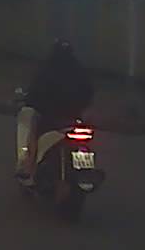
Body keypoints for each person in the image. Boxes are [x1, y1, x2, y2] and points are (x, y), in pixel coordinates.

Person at [16, 40, 95, 183]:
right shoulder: (79, 70)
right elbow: (89, 91)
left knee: (32, 130)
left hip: (51, 116)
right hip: (74, 116)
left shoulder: (47, 69)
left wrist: (30, 100)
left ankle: (28, 166)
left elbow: (36, 90)